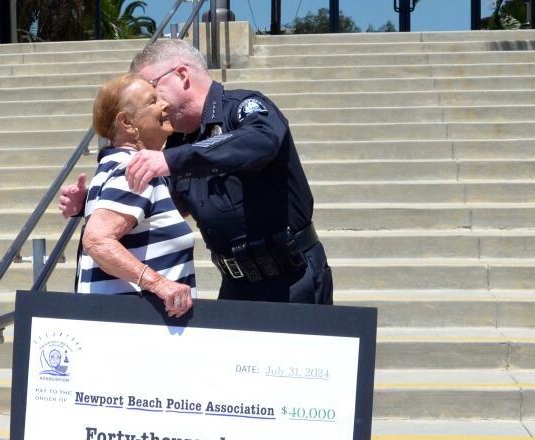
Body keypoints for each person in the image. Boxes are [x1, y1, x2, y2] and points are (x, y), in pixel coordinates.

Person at [61, 39, 332, 305]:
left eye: (153, 89)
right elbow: (160, 206)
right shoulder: (178, 143)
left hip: (293, 282)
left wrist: (174, 160)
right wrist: (96, 202)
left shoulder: (241, 108)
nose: (160, 105)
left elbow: (261, 140)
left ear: (181, 75)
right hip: (236, 287)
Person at [77, 73, 195, 318]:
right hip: (137, 328)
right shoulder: (135, 169)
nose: (164, 105)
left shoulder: (115, 165)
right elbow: (97, 241)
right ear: (127, 122)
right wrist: (159, 284)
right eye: (152, 101)